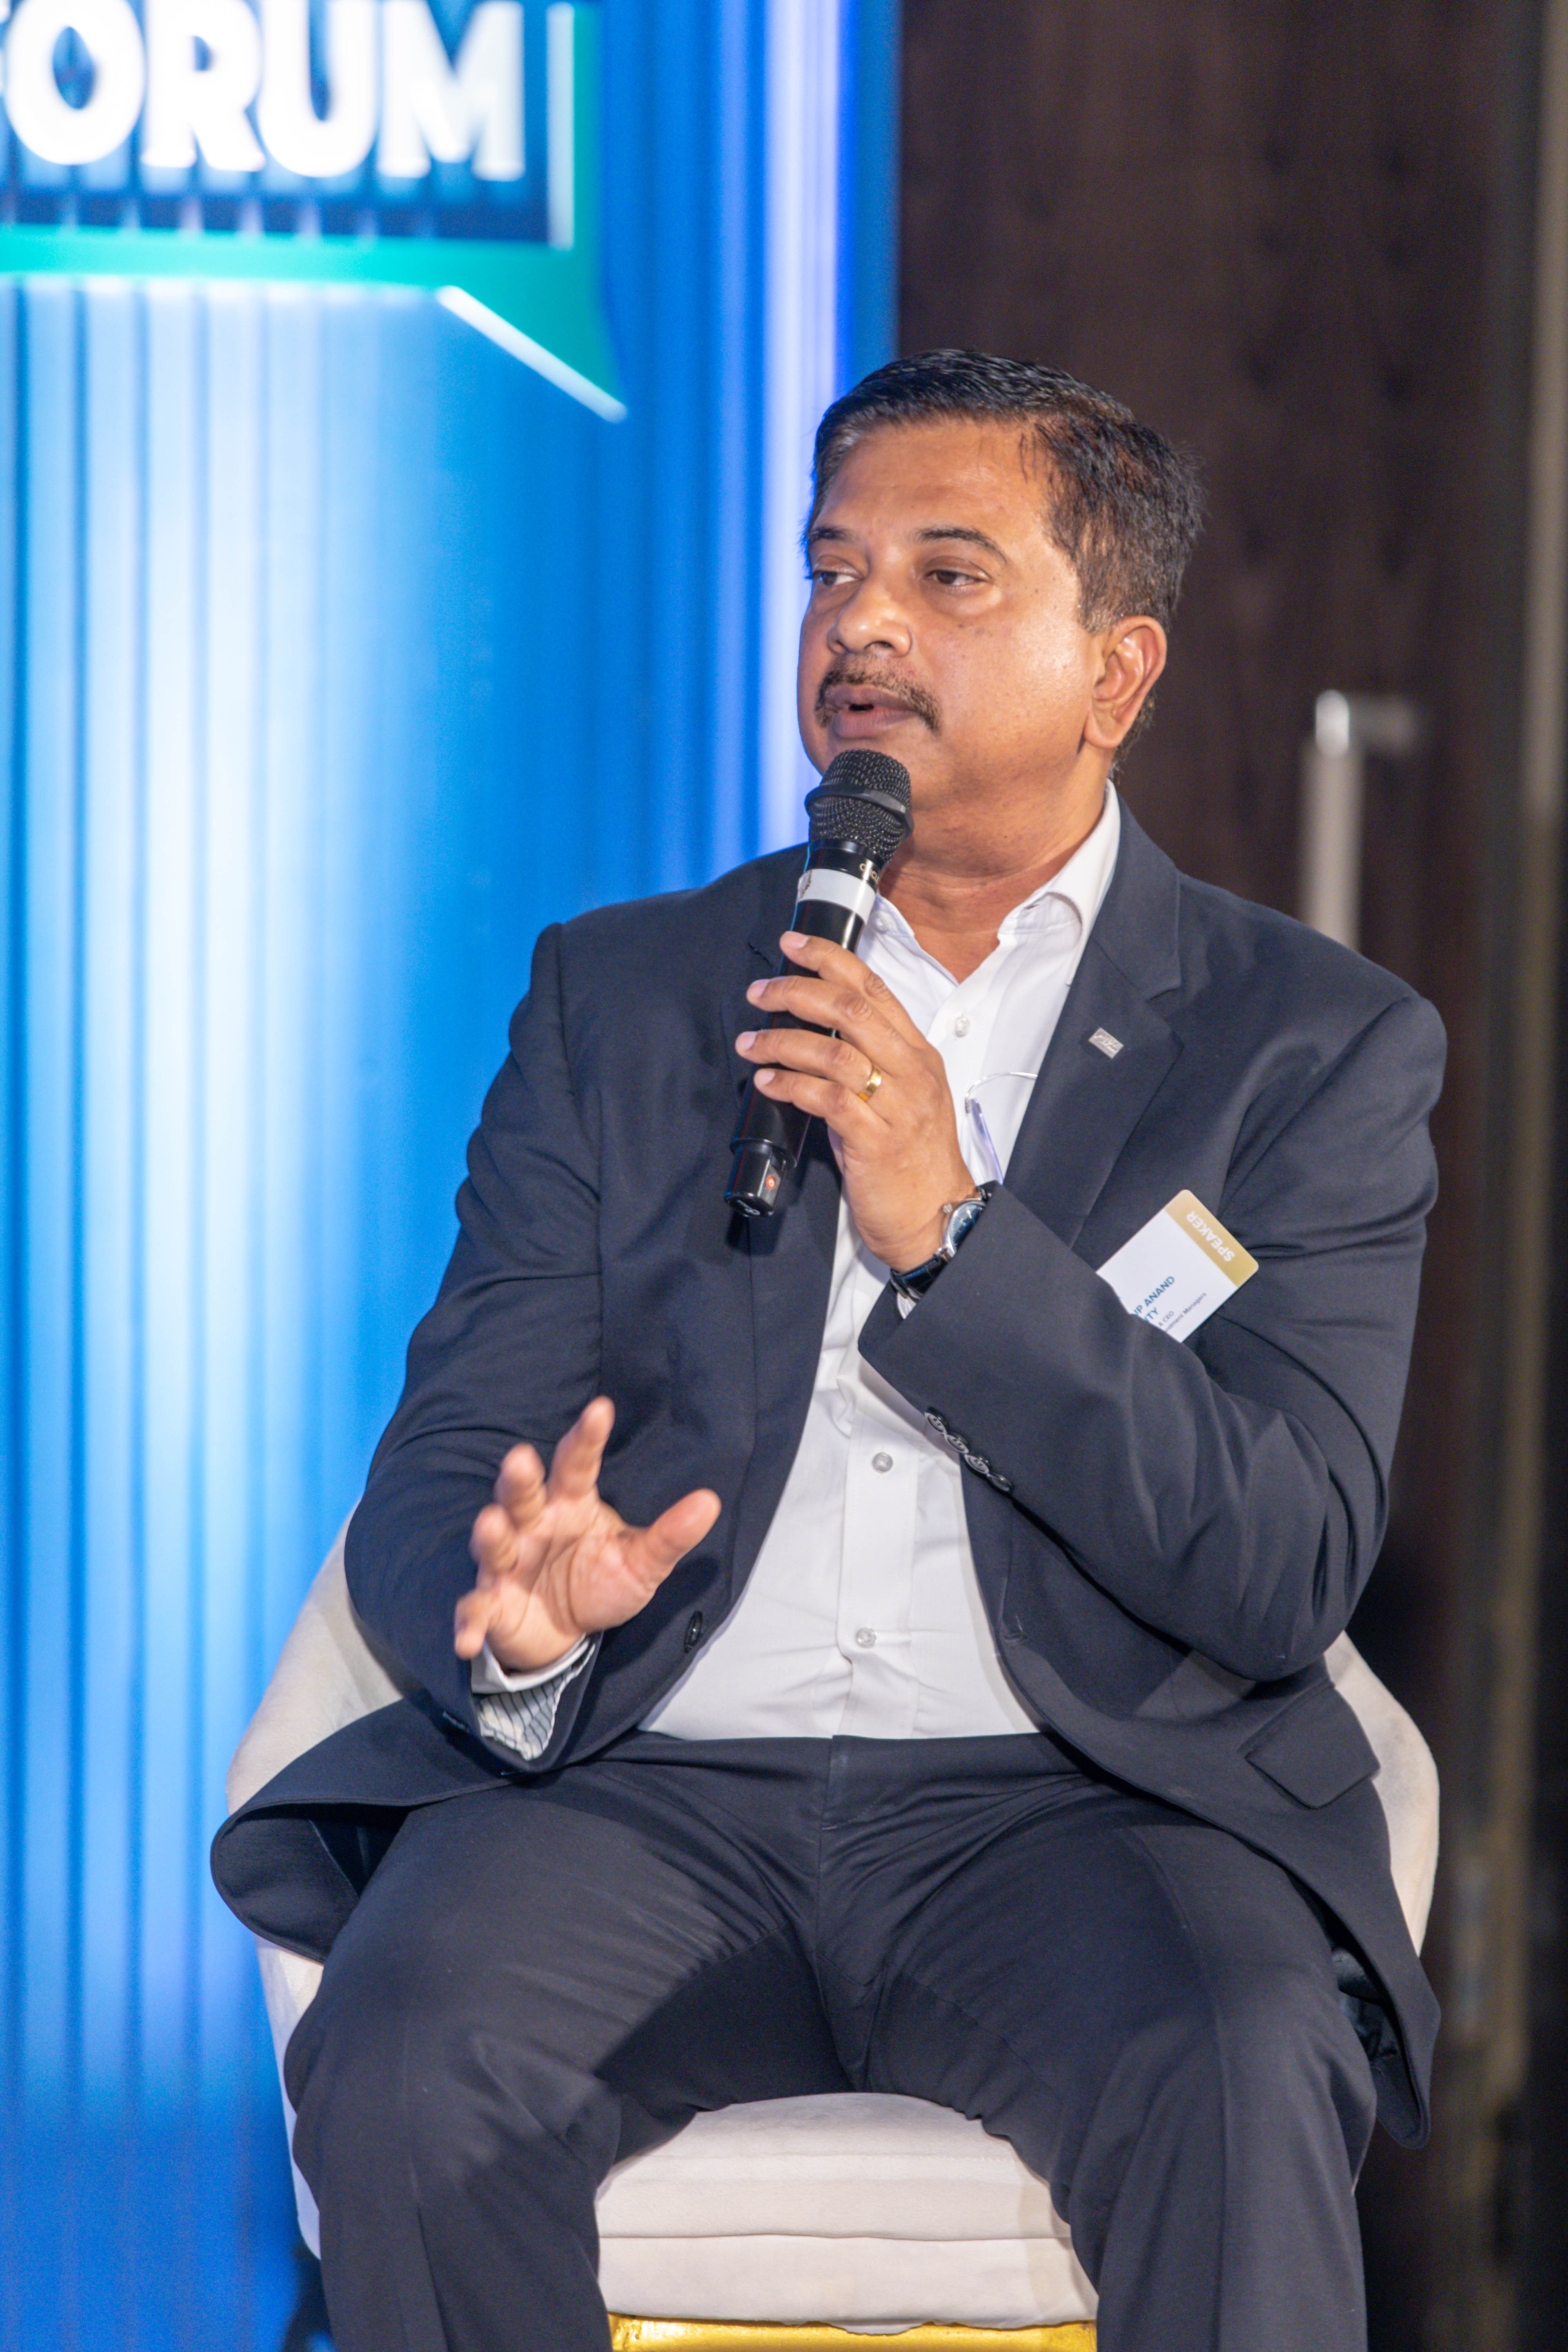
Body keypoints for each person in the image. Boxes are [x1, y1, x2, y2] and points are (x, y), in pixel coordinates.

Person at [213, 350, 1445, 2352]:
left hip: (1075, 1808)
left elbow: (1281, 1556)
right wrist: (521, 1619)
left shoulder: (1303, 1043)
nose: (861, 623)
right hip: (648, 1792)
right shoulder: (624, 997)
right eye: (832, 568)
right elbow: (448, 1468)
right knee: (410, 2050)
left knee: (1239, 2058)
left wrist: (955, 1238)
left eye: (947, 575)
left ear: (1115, 671)